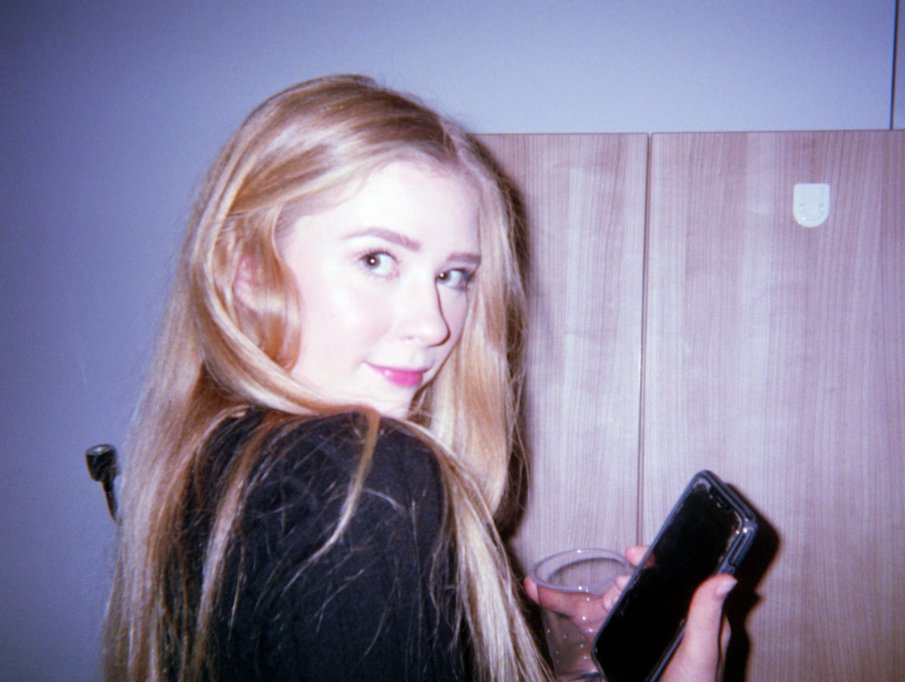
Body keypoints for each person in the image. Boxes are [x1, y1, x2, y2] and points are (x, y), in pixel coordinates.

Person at [103, 75, 735, 681]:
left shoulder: (213, 462)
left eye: (453, 276)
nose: (434, 325)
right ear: (245, 271)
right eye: (376, 259)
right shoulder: (359, 478)